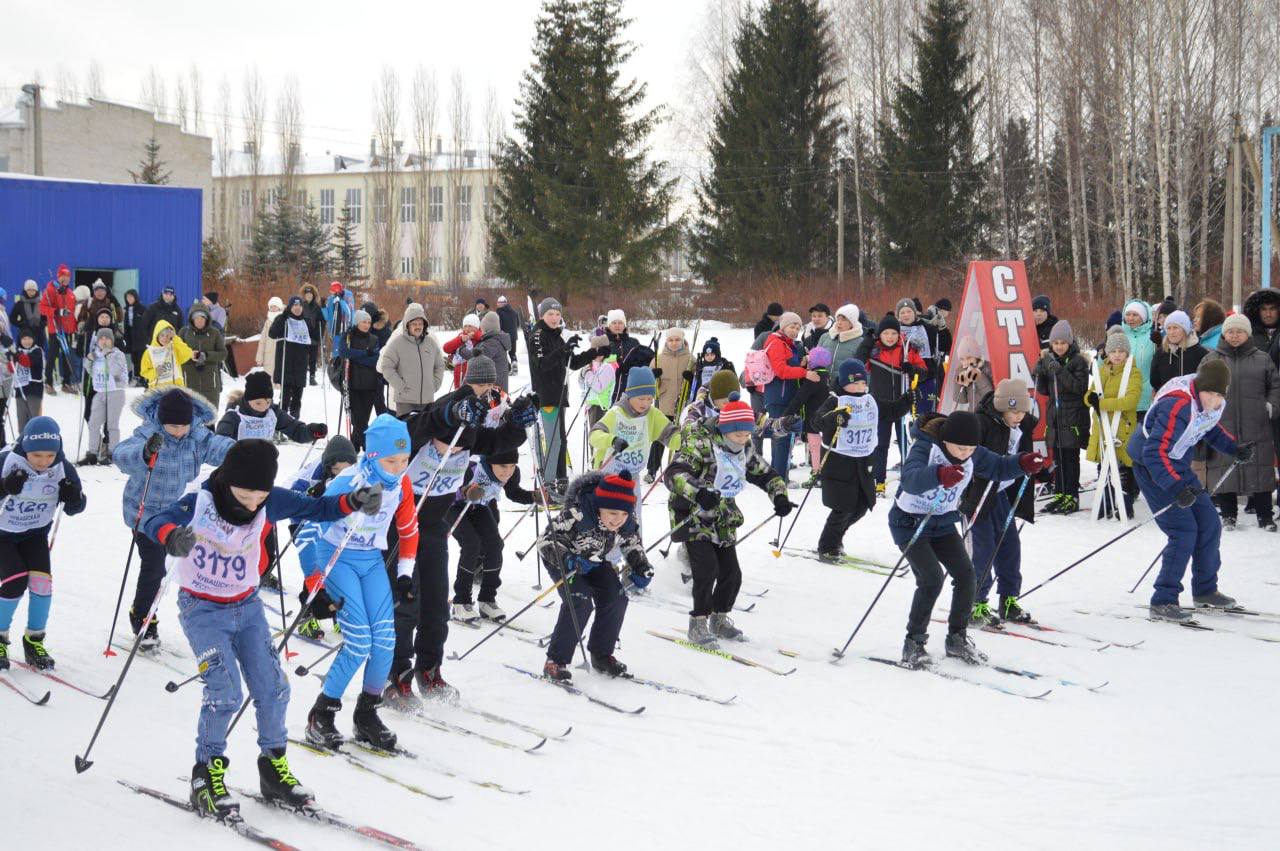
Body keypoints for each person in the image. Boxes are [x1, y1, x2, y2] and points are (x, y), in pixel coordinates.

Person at [143, 438, 380, 818]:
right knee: (225, 692)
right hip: (202, 609)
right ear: (227, 481)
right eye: (245, 495)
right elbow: (153, 519)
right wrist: (170, 535)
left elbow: (316, 508)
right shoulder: (201, 501)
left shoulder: (269, 499)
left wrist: (353, 501)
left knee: (273, 687)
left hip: (247, 606)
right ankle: (206, 773)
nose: (252, 504)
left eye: (260, 497)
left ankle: (273, 768)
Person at [385, 366, 532, 705]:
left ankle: (429, 668)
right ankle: (397, 674)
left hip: (434, 528)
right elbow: (426, 421)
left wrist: (518, 423)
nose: (451, 453)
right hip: (400, 530)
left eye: (459, 451)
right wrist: (450, 415)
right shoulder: (416, 434)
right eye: (446, 446)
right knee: (407, 605)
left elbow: (498, 442)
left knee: (437, 605)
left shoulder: (465, 439)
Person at [894, 411, 1047, 668]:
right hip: (910, 523)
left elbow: (998, 466)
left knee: (967, 576)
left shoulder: (972, 452)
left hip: (941, 523)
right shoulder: (925, 447)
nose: (965, 453)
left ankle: (957, 638)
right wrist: (939, 474)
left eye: (970, 449)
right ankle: (914, 643)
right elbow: (910, 480)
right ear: (946, 441)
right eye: (960, 448)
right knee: (931, 579)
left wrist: (1023, 462)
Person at [302, 414, 418, 751]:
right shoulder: (348, 482)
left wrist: (405, 573)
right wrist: (315, 584)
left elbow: (409, 529)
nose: (399, 468)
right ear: (371, 456)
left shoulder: (402, 483)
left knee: (385, 641)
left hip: (370, 561)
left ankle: (367, 714)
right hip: (336, 556)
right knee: (358, 642)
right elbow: (309, 529)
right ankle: (321, 715)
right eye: (391, 461)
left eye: (405, 460)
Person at [115, 388, 235, 649]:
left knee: (176, 565)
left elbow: (218, 446)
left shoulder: (196, 435)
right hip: (143, 511)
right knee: (154, 564)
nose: (179, 431)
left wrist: (244, 453)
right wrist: (145, 453)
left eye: (183, 425)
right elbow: (121, 455)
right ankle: (142, 614)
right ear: (162, 421)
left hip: (174, 513)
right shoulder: (149, 433)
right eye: (172, 426)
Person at [665, 395, 789, 646]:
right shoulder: (700, 443)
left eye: (746, 435)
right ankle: (698, 622)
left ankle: (719, 618)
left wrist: (780, 497)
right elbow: (674, 473)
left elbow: (765, 473)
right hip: (693, 513)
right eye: (738, 435)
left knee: (732, 574)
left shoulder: (743, 449)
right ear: (725, 430)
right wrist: (698, 490)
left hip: (723, 517)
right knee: (706, 569)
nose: (743, 440)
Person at [1129, 359, 1248, 620]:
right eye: (1210, 393)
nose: (1214, 400)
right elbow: (1154, 453)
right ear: (1198, 387)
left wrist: (1233, 448)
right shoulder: (1178, 405)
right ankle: (1163, 599)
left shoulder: (1206, 404)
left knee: (1209, 524)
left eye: (1219, 395)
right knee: (1183, 530)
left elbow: (1206, 426)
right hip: (1152, 466)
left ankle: (1205, 591)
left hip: (1176, 462)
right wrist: (1175, 487)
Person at [539, 469, 651, 680]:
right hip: (566, 561)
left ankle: (601, 654)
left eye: (624, 514)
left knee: (616, 598)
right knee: (579, 601)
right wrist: (568, 560)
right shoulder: (577, 513)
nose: (618, 520)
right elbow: (545, 541)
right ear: (600, 507)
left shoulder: (625, 519)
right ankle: (556, 661)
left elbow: (632, 542)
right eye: (612, 514)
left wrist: (641, 565)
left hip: (595, 560)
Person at [0, 417, 87, 673]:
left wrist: (72, 497)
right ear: (25, 447)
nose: (43, 461)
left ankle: (34, 640)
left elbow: (77, 505)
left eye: (50, 455)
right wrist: (4, 487)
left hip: (34, 533)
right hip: (2, 534)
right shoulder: (7, 460)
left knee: (42, 584)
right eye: (36, 455)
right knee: (15, 581)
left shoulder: (62, 467)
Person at [963, 380, 1039, 626]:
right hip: (979, 494)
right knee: (983, 549)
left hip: (1001, 494)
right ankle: (975, 602)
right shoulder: (981, 423)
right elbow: (969, 457)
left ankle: (1008, 599)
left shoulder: (1023, 425)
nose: (1019, 416)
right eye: (1014, 411)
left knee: (1010, 546)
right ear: (1001, 408)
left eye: (1023, 411)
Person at [1201, 313, 1280, 531]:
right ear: (1224, 334)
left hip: (1257, 424)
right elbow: (1199, 387)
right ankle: (1228, 515)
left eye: (1240, 332)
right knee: (1224, 467)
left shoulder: (1262, 359)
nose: (1235, 336)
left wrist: (1271, 406)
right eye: (1231, 332)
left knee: (1260, 469)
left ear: (1248, 334)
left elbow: (1275, 386)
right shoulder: (1211, 359)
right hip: (1222, 424)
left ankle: (1265, 516)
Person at [445, 447, 535, 623]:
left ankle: (487, 599)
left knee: (495, 545)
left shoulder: (511, 473)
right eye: (503, 466)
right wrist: (466, 491)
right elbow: (450, 486)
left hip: (479, 506)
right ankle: (461, 601)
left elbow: (514, 492)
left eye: (512, 466)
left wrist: (535, 496)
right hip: (453, 506)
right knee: (472, 544)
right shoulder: (473, 467)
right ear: (491, 462)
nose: (507, 471)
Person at [530, 298, 596, 493]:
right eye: (550, 314)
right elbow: (542, 365)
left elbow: (571, 363)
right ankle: (548, 483)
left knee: (561, 439)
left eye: (558, 314)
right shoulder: (537, 335)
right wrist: (563, 350)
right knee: (553, 440)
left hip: (559, 394)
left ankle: (561, 478)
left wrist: (593, 353)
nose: (555, 318)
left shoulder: (556, 336)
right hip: (546, 395)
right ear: (542, 315)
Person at [815, 359, 878, 561]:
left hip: (861, 463)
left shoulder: (868, 400)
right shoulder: (835, 400)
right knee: (843, 507)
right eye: (854, 383)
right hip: (838, 465)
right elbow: (817, 421)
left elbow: (888, 411)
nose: (860, 388)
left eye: (863, 383)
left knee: (861, 506)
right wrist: (835, 417)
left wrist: (905, 402)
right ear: (843, 383)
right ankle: (827, 545)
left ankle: (836, 539)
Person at [860, 315, 926, 493]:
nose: (890, 337)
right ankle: (878, 481)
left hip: (902, 403)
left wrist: (912, 369)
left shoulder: (907, 349)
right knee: (881, 445)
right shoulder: (874, 350)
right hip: (879, 404)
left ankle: (908, 480)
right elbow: (858, 360)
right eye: (886, 333)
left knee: (906, 444)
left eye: (894, 333)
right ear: (880, 335)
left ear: (899, 334)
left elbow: (925, 372)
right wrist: (867, 340)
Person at [1033, 319, 1090, 514]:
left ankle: (1071, 496)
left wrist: (1058, 370)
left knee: (1070, 459)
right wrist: (1040, 371)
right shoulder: (1050, 359)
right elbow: (1044, 391)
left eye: (1062, 343)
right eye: (1055, 343)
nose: (1059, 346)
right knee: (1057, 459)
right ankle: (1060, 493)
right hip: (1055, 417)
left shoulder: (1078, 361)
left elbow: (1078, 388)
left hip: (1073, 418)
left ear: (1069, 342)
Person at [1085, 330, 1142, 519]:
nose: (1117, 355)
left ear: (1127, 353)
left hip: (1123, 428)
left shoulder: (1133, 373)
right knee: (1105, 466)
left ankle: (1125, 504)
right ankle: (1106, 502)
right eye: (1113, 351)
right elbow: (1090, 395)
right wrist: (1091, 399)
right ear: (1107, 353)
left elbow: (1130, 401)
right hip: (1103, 428)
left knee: (1125, 468)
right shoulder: (1102, 371)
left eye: (1121, 351)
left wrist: (1102, 404)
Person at [762, 311, 814, 480]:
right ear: (784, 326)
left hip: (785, 396)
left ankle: (779, 476)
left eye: (798, 327)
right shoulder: (777, 342)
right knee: (781, 438)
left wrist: (800, 363)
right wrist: (804, 373)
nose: (795, 330)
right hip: (779, 397)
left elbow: (788, 365)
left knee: (782, 437)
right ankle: (779, 479)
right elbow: (781, 370)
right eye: (792, 326)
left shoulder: (787, 343)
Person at [216, 370, 327, 444]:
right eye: (258, 403)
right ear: (248, 399)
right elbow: (220, 442)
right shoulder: (234, 415)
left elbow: (294, 429)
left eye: (268, 402)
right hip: (236, 467)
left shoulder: (272, 412)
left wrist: (311, 431)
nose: (264, 408)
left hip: (263, 465)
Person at [334, 309, 389, 450]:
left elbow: (375, 360)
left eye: (369, 322)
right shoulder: (348, 337)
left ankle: (354, 445)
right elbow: (343, 352)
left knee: (362, 419)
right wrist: (365, 353)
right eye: (364, 322)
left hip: (370, 384)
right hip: (352, 384)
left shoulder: (374, 339)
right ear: (357, 322)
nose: (366, 325)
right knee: (358, 420)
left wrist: (355, 358)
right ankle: (368, 446)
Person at [378, 302, 446, 415]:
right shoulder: (397, 342)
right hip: (405, 402)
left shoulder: (430, 342)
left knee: (425, 432)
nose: (418, 326)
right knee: (405, 431)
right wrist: (401, 386)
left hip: (427, 400)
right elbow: (385, 366)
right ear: (407, 325)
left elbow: (439, 365)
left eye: (420, 323)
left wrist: (435, 384)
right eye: (414, 324)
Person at [778, 345, 833, 484]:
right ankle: (824, 471)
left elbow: (800, 398)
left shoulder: (813, 378)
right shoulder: (827, 376)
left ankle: (817, 474)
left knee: (815, 447)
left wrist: (786, 414)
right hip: (826, 418)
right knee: (823, 446)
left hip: (813, 419)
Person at [648, 328, 695, 481]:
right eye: (671, 340)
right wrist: (653, 376)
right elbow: (649, 382)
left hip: (683, 405)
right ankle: (652, 470)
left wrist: (692, 377)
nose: (674, 343)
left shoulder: (690, 359)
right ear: (666, 341)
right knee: (660, 436)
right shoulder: (658, 359)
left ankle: (678, 468)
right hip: (664, 403)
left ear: (682, 341)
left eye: (677, 340)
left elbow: (697, 383)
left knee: (681, 438)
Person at [80, 327, 129, 465]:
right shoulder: (97, 354)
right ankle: (92, 453)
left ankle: (114, 452)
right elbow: (90, 372)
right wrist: (89, 360)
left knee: (112, 425)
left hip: (115, 391)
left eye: (107, 338)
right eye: (101, 338)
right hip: (100, 391)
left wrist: (108, 355)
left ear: (112, 340)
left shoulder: (117, 354)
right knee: (93, 423)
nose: (104, 341)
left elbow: (115, 371)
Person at [269, 296, 312, 420]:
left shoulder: (306, 321)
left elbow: (313, 338)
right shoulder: (283, 319)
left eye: (300, 305)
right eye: (294, 305)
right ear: (289, 306)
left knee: (297, 398)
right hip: (285, 363)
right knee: (285, 397)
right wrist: (283, 317)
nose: (297, 308)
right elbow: (272, 333)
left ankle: (295, 423)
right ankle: (281, 423)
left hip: (300, 363)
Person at [179, 302, 227, 410]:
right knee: (189, 418)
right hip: (189, 382)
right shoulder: (184, 332)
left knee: (210, 418)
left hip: (210, 382)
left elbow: (223, 354)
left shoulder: (215, 333)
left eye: (202, 317)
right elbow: (177, 353)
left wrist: (206, 355)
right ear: (192, 319)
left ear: (207, 318)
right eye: (196, 317)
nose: (199, 320)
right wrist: (189, 355)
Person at [39, 265, 79, 392]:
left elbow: (72, 313)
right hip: (55, 330)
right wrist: (57, 311)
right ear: (58, 276)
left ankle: (66, 383)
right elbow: (42, 308)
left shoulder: (70, 293)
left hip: (67, 330)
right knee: (52, 356)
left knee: (67, 356)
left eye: (67, 276)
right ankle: (48, 383)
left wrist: (75, 327)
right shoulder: (50, 290)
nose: (65, 279)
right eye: (63, 276)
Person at [1148, 310, 1206, 392]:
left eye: (1175, 328)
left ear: (1185, 330)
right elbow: (1154, 380)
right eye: (1168, 328)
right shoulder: (1161, 353)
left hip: (1191, 401)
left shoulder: (1200, 353)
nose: (1171, 332)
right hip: (1167, 400)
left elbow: (1204, 381)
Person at [1120, 300, 1157, 416]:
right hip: (1122, 395)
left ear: (1144, 317)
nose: (1130, 318)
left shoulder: (1153, 338)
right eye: (1128, 314)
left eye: (1135, 315)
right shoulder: (1119, 336)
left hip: (1146, 398)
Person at [141, 319, 194, 390]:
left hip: (176, 389)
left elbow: (188, 353)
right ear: (157, 336)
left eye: (168, 336)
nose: (165, 338)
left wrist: (176, 338)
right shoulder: (149, 352)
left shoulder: (175, 349)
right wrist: (155, 372)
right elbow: (144, 372)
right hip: (157, 391)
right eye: (162, 335)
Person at [468, 311, 512, 392]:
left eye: (483, 330)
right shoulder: (496, 340)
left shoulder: (493, 343)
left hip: (495, 386)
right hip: (496, 383)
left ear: (488, 330)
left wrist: (461, 349)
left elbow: (477, 356)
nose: (481, 332)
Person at [816, 304, 863, 380]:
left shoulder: (860, 342)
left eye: (843, 319)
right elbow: (815, 362)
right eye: (838, 319)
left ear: (852, 323)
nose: (839, 322)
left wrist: (848, 382)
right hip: (823, 386)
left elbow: (863, 372)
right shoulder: (825, 337)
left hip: (845, 389)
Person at [949, 337, 993, 414]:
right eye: (962, 359)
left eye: (969, 358)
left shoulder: (988, 368)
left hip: (988, 414)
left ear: (976, 356)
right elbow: (960, 400)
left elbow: (990, 397)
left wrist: (979, 377)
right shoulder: (961, 369)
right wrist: (959, 383)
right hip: (972, 414)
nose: (965, 362)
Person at [10, 329, 44, 429]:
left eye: (29, 338)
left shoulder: (37, 351)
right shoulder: (18, 351)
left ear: (33, 339)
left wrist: (16, 355)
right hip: (20, 389)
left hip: (34, 390)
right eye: (24, 339)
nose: (27, 341)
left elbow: (27, 362)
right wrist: (10, 359)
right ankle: (22, 441)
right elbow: (12, 369)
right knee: (21, 420)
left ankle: (36, 439)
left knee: (34, 419)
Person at [141, 285, 185, 356]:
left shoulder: (178, 310)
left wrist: (176, 342)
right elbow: (144, 325)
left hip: (171, 346)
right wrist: (149, 341)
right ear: (162, 294)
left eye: (170, 294)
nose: (168, 296)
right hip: (155, 346)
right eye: (166, 294)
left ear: (174, 296)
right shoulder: (153, 308)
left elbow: (180, 328)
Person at [688, 337, 735, 401]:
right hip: (702, 398)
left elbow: (732, 383)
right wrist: (691, 379)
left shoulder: (723, 365)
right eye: (707, 355)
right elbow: (697, 384)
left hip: (718, 398)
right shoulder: (701, 367)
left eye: (712, 354)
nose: (709, 357)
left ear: (717, 355)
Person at [442, 314, 479, 390]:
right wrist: (461, 340)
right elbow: (446, 348)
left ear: (476, 327)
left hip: (472, 375)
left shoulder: (479, 339)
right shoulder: (461, 336)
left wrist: (474, 335)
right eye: (465, 326)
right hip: (458, 374)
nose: (467, 329)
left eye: (470, 326)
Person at [255, 296, 284, 389]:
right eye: (271, 306)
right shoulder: (268, 322)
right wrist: (259, 357)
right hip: (269, 354)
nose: (272, 308)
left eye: (275, 306)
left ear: (279, 307)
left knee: (280, 378)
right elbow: (262, 340)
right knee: (268, 381)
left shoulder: (284, 319)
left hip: (281, 353)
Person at [299, 284, 324, 385]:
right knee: (303, 357)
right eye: (307, 294)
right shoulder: (301, 305)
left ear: (313, 295)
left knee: (313, 358)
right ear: (304, 295)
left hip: (314, 336)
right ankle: (302, 376)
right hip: (303, 336)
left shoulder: (317, 307)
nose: (309, 296)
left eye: (310, 294)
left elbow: (322, 322)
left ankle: (312, 377)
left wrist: (320, 335)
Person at [121, 289, 144, 383]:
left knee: (141, 358)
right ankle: (135, 376)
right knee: (133, 358)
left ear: (135, 297)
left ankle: (142, 377)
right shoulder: (126, 309)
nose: (129, 299)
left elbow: (146, 323)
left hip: (140, 338)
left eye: (131, 297)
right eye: (127, 297)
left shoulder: (141, 308)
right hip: (130, 337)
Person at [495, 294, 521, 372]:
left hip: (503, 336)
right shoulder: (514, 312)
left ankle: (508, 368)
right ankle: (514, 362)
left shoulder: (499, 312)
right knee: (512, 353)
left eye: (499, 303)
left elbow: (498, 325)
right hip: (513, 336)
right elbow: (518, 324)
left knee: (503, 353)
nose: (498, 304)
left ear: (503, 303)